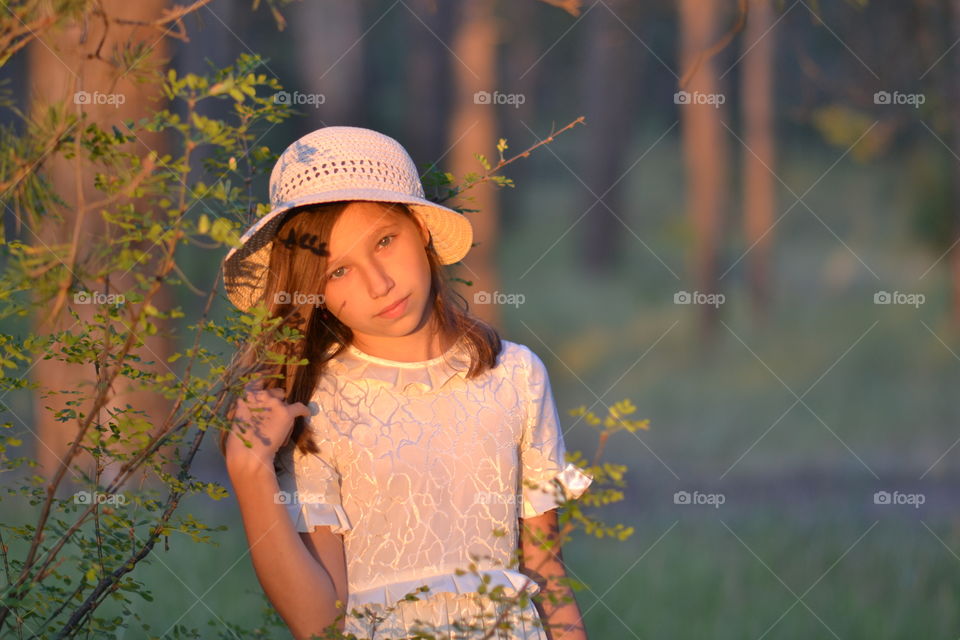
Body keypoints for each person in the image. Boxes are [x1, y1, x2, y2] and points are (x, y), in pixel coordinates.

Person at [219, 126, 594, 639]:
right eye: (338, 272)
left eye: (384, 242)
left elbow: (547, 574)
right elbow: (318, 623)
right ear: (313, 292)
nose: (380, 284)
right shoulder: (316, 404)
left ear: (420, 228)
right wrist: (250, 472)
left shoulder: (516, 375)